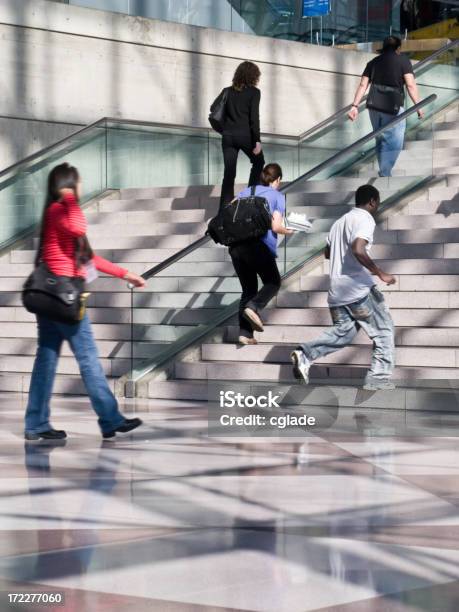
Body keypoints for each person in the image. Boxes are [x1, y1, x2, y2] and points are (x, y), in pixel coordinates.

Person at [24, 163, 146, 441]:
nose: (80, 188)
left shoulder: (57, 215)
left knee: (46, 359)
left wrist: (125, 273)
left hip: (51, 299)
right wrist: (68, 195)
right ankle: (110, 418)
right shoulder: (60, 210)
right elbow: (80, 225)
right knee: (88, 358)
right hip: (65, 301)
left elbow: (89, 259)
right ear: (68, 185)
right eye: (77, 184)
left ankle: (36, 423)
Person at [290, 184, 396, 391]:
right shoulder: (365, 219)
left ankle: (305, 354)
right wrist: (379, 272)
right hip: (358, 291)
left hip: (337, 292)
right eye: (377, 202)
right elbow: (358, 248)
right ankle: (379, 377)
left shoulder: (339, 223)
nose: (377, 206)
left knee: (343, 333)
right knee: (384, 331)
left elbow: (328, 253)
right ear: (372, 201)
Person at [230, 163, 293, 345]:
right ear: (278, 179)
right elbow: (275, 226)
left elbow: (230, 210)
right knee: (273, 281)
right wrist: (288, 230)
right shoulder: (277, 196)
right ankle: (254, 307)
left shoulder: (247, 191)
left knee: (248, 289)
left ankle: (245, 334)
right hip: (258, 245)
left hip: (236, 247)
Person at [348, 36, 423, 177]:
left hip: (374, 107)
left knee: (380, 138)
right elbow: (411, 85)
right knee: (395, 140)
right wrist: (418, 106)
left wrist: (354, 106)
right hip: (393, 107)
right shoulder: (403, 61)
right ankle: (385, 171)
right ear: (398, 48)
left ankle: (384, 170)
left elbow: (363, 84)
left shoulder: (373, 62)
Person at [217, 60, 265, 209]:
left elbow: (213, 109)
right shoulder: (254, 92)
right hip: (246, 137)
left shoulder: (227, 91)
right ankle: (249, 197)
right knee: (258, 162)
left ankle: (224, 210)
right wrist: (257, 140)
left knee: (229, 174)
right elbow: (254, 118)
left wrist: (225, 129)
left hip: (228, 137)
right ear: (253, 76)